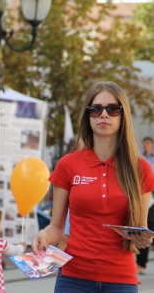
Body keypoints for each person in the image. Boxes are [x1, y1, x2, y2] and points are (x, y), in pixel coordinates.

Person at [32, 80, 154, 293]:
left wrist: (143, 239)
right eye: (96, 109)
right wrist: (44, 235)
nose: (104, 115)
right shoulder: (68, 164)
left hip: (122, 279)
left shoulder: (140, 168)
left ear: (123, 115)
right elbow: (57, 227)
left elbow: (140, 230)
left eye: (112, 109)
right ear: (87, 116)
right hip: (73, 278)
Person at [136, 136, 154, 274]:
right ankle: (141, 264)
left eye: (147, 143)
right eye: (144, 143)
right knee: (144, 227)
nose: (145, 145)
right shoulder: (140, 159)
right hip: (143, 194)